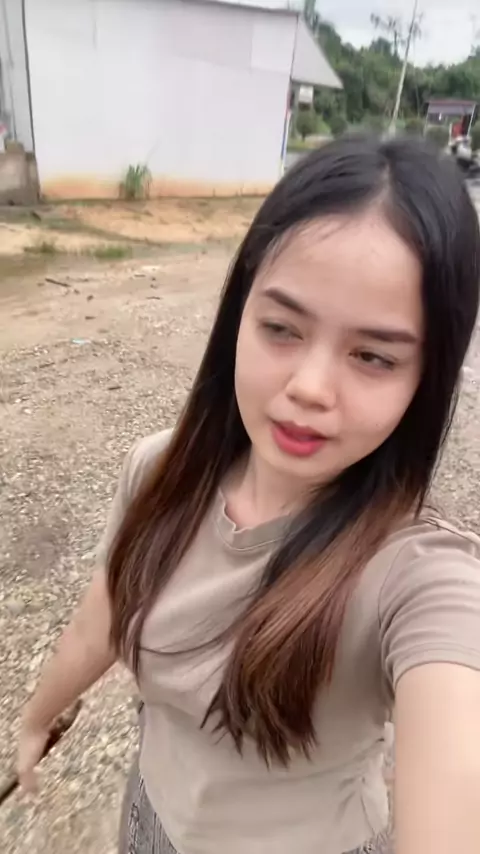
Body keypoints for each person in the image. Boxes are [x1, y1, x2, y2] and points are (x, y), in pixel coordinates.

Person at [17, 134, 480, 854]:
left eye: (371, 356)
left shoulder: (419, 577)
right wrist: (35, 716)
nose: (309, 387)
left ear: (427, 377)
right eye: (281, 328)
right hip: (150, 821)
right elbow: (102, 617)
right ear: (239, 315)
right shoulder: (161, 471)